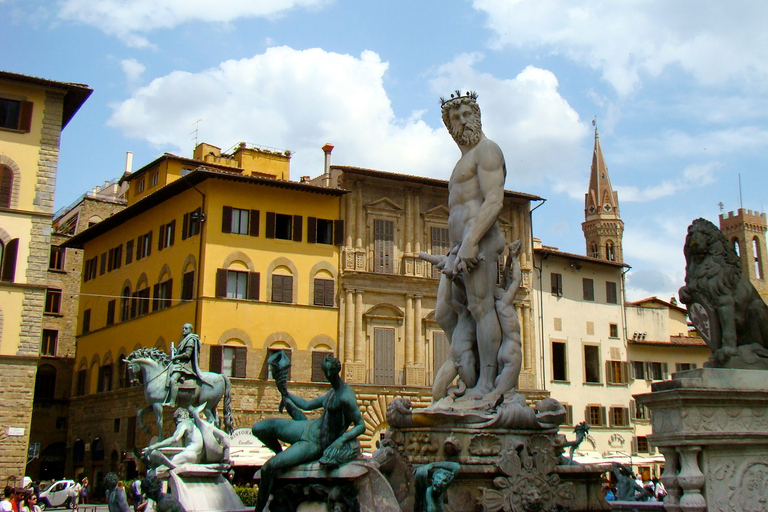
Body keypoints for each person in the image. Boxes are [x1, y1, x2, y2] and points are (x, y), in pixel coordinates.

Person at [434, 91, 507, 401]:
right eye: (455, 118)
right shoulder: (461, 161)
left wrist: (472, 241)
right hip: (458, 247)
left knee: (481, 308)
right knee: (444, 314)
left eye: (467, 114)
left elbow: (494, 199)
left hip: (479, 241)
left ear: (477, 116)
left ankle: (487, 383)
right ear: (449, 127)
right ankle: (469, 366)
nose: (462, 121)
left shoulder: (487, 150)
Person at [251, 353, 365, 512]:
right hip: (306, 427)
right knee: (259, 429)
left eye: (327, 373)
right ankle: (281, 455)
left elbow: (361, 425)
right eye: (325, 373)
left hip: (315, 443)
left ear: (333, 372)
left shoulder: (345, 397)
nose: (326, 376)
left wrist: (341, 441)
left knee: (267, 468)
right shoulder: (332, 393)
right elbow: (306, 405)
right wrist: (285, 393)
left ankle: (259, 509)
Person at [164, 323, 209, 407]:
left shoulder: (190, 340)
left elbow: (187, 355)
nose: (183, 330)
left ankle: (172, 402)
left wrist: (175, 357)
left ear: (190, 330)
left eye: (186, 328)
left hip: (185, 366)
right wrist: (175, 351)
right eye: (183, 328)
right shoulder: (185, 340)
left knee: (173, 379)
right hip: (180, 364)